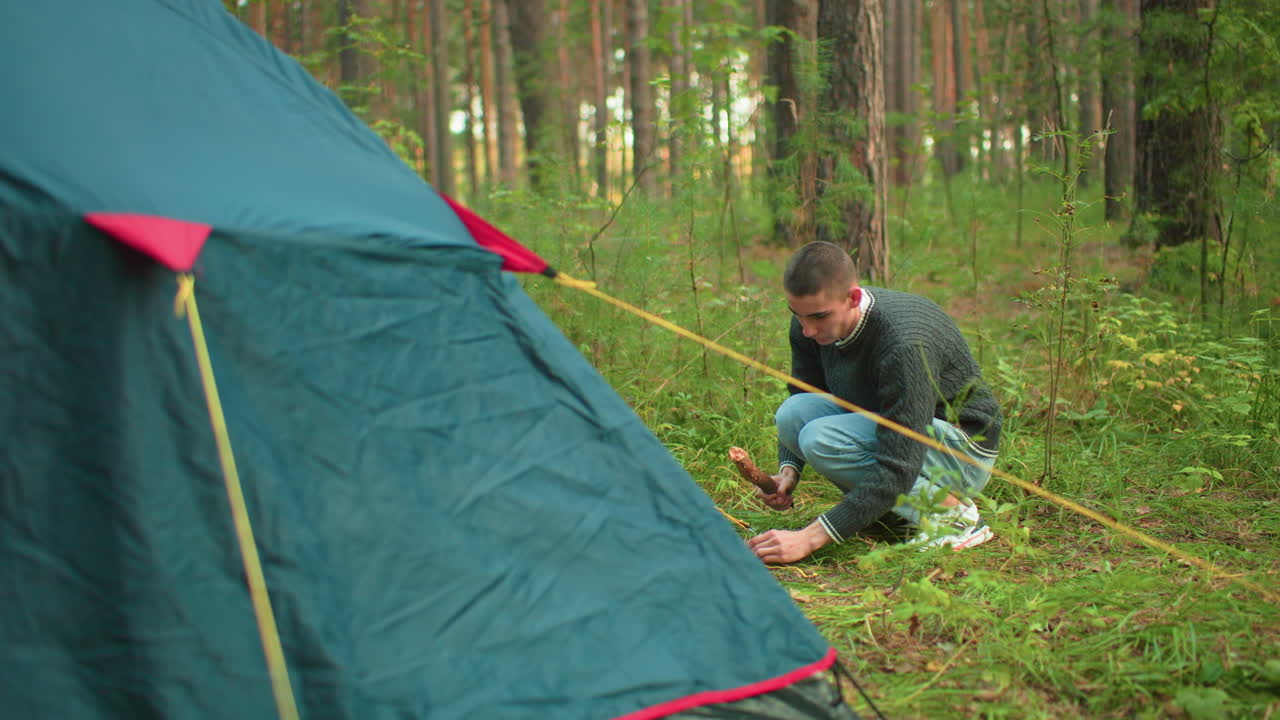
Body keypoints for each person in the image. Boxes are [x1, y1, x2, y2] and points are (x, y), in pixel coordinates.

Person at [746, 241, 1003, 564]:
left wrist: (809, 538)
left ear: (853, 297)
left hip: (963, 450)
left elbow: (901, 462)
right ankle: (895, 511)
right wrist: (788, 472)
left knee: (821, 439)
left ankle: (954, 517)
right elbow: (805, 394)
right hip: (893, 429)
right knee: (793, 413)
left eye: (819, 317)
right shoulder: (809, 324)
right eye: (797, 315)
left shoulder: (903, 343)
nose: (807, 329)